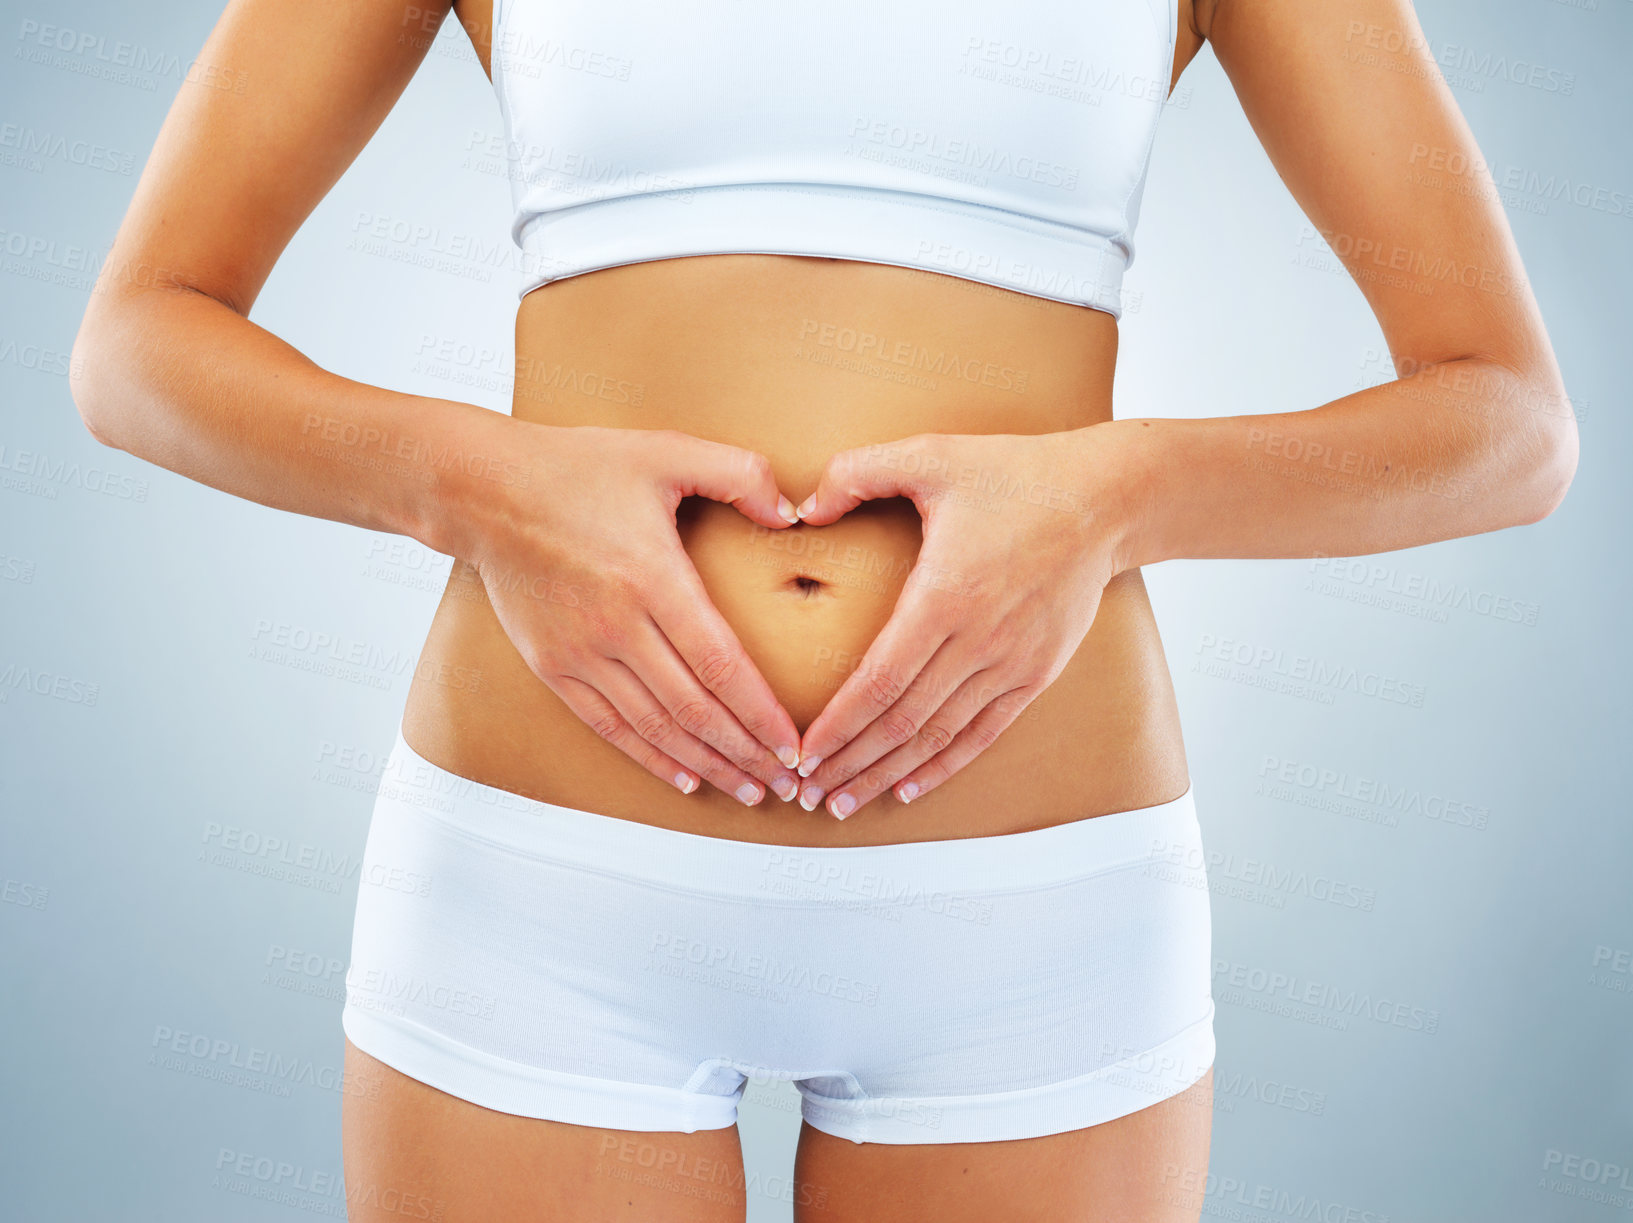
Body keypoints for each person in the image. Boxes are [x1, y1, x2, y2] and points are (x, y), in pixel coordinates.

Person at [69, 0, 1576, 1218]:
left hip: (1027, 923)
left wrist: (1123, 494)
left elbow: (1503, 422)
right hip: (545, 898)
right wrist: (468, 483)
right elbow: (142, 337)